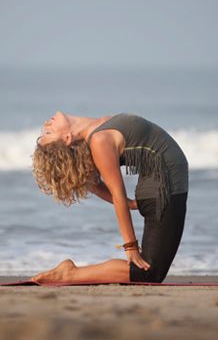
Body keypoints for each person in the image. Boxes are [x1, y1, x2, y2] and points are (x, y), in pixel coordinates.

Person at [30, 111, 189, 284]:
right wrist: (131, 246)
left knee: (150, 270)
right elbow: (117, 193)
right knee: (149, 273)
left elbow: (91, 179)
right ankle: (68, 274)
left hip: (163, 184)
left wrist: (129, 203)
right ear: (67, 138)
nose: (47, 125)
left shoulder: (96, 130)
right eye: (48, 132)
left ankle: (70, 273)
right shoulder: (99, 140)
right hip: (166, 187)